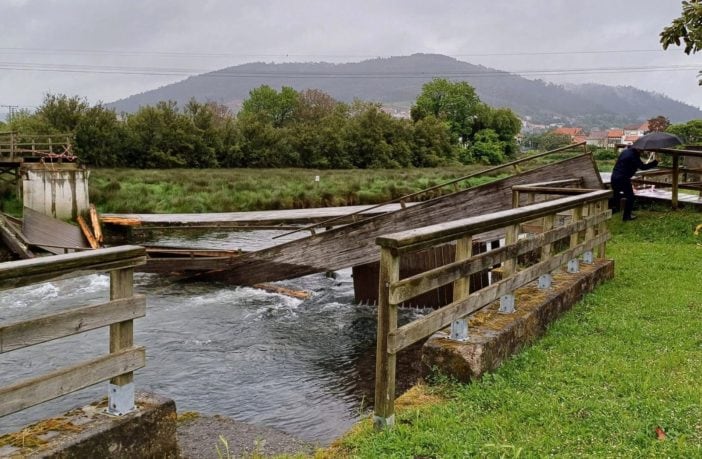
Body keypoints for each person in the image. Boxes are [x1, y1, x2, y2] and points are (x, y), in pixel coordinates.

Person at [610, 146, 658, 221]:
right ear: (638, 149)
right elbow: (642, 167)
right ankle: (626, 216)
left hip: (615, 176)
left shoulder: (626, 151)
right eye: (642, 150)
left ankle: (613, 212)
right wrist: (655, 162)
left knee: (616, 196)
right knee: (630, 197)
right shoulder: (633, 155)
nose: (643, 151)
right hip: (623, 178)